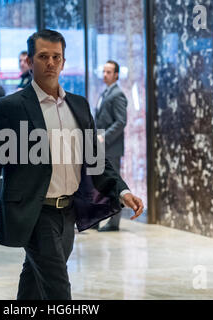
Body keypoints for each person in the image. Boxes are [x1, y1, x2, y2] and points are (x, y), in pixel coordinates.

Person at [0, 29, 144, 300]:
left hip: (68, 213)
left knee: (35, 281)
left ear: (63, 62)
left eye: (56, 57)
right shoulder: (10, 107)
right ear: (29, 61)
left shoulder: (79, 105)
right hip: (35, 213)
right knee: (58, 291)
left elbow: (95, 159)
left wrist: (122, 191)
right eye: (43, 56)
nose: (50, 63)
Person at [94, 60, 128, 232]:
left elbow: (121, 121)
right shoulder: (105, 93)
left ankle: (114, 222)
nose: (105, 75)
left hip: (111, 148)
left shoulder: (117, 94)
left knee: (113, 184)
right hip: (102, 148)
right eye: (104, 71)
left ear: (116, 75)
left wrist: (103, 138)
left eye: (109, 72)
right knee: (102, 184)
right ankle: (98, 219)